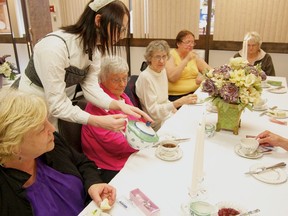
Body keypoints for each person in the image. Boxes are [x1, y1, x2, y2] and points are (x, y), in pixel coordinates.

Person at [15, 0, 151, 132]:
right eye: (120, 29)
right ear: (98, 21)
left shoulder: (94, 50)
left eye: (124, 30)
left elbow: (91, 88)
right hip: (31, 105)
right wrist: (97, 121)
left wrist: (120, 105)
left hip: (56, 106)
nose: (121, 36)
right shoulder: (54, 47)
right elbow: (57, 104)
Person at [0, 89, 116, 216]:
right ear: (14, 146)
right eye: (41, 128)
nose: (52, 128)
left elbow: (82, 162)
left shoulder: (53, 144)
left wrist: (93, 183)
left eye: (47, 121)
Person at [82, 55, 138, 183]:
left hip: (128, 152)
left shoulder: (122, 97)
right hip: (107, 163)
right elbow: (114, 143)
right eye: (116, 80)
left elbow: (136, 121)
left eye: (125, 78)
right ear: (102, 80)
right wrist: (144, 142)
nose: (123, 84)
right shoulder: (97, 104)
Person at [136, 40, 198, 131]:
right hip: (156, 123)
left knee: (193, 122)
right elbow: (153, 112)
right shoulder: (146, 77)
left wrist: (177, 113)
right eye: (157, 57)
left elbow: (164, 101)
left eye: (164, 56)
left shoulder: (162, 71)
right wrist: (178, 103)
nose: (161, 61)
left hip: (166, 116)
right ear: (149, 58)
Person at [165, 30, 212, 102]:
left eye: (193, 42)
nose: (191, 45)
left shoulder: (194, 56)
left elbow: (212, 72)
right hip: (176, 97)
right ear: (178, 44)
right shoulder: (170, 55)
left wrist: (204, 77)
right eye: (187, 42)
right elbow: (172, 78)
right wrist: (186, 59)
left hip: (195, 93)